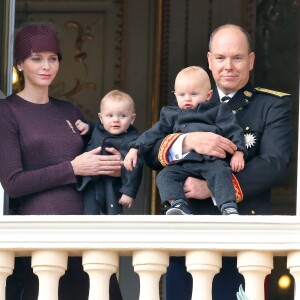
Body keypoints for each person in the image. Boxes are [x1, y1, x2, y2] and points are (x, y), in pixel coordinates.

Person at [145, 24, 292, 299]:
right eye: (221, 58)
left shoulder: (272, 105)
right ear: (210, 60)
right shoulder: (187, 100)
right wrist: (187, 142)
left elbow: (274, 163)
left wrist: (211, 187)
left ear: (250, 60)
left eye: (237, 58)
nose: (229, 66)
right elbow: (150, 151)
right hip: (187, 235)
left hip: (244, 240)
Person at [0, 21, 123, 300]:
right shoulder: (7, 111)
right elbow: (13, 183)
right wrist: (73, 168)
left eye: (53, 58)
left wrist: (111, 165)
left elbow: (92, 166)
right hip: (43, 238)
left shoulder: (67, 110)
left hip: (87, 233)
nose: (46, 66)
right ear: (20, 64)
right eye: (36, 59)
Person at [124, 66, 246, 216]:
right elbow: (153, 133)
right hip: (183, 163)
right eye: (181, 94)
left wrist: (239, 152)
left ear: (208, 95)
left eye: (194, 94)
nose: (187, 99)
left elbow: (233, 130)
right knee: (164, 176)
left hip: (211, 160)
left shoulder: (218, 110)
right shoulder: (171, 114)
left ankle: (228, 206)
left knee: (221, 172)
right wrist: (135, 148)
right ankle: (178, 204)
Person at [76, 89, 143, 215]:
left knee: (112, 214)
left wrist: (129, 192)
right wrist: (87, 127)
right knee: (89, 213)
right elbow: (94, 131)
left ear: (132, 118)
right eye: (110, 115)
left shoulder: (133, 142)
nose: (116, 120)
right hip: (90, 182)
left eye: (122, 116)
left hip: (112, 185)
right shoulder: (99, 128)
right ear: (101, 118)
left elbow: (135, 168)